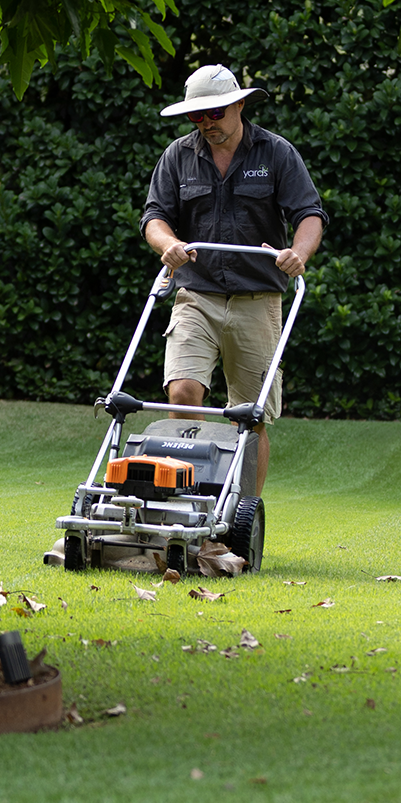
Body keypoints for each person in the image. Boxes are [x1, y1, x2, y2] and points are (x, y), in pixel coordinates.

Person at [140, 64, 327, 496]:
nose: (206, 124)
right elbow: (155, 217)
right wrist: (166, 244)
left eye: (215, 113)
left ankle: (241, 516)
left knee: (250, 414)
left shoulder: (276, 153)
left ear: (239, 105)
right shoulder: (177, 156)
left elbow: (309, 214)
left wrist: (298, 254)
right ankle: (196, 500)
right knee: (182, 393)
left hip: (257, 298)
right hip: (196, 294)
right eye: (196, 116)